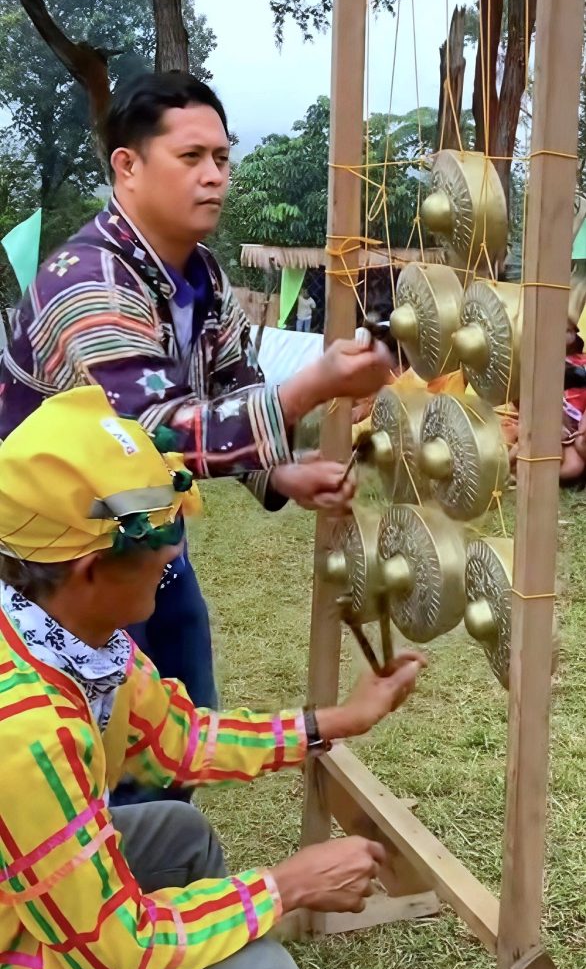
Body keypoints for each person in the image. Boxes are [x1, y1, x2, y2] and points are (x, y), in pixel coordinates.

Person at [0, 384, 426, 969]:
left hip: (23, 896)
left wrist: (336, 720)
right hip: (17, 963)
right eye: (161, 536)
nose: (175, 551)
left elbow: (181, 739)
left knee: (180, 834)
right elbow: (116, 948)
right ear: (90, 570)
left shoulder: (61, 633)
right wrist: (283, 886)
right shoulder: (27, 729)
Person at [0, 73, 389, 732]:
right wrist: (312, 386)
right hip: (57, 565)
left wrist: (278, 473)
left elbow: (236, 383)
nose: (214, 176)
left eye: (221, 157)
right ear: (127, 166)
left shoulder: (201, 272)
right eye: (191, 157)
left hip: (147, 535)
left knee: (178, 719)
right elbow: (154, 432)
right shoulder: (87, 283)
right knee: (86, 738)